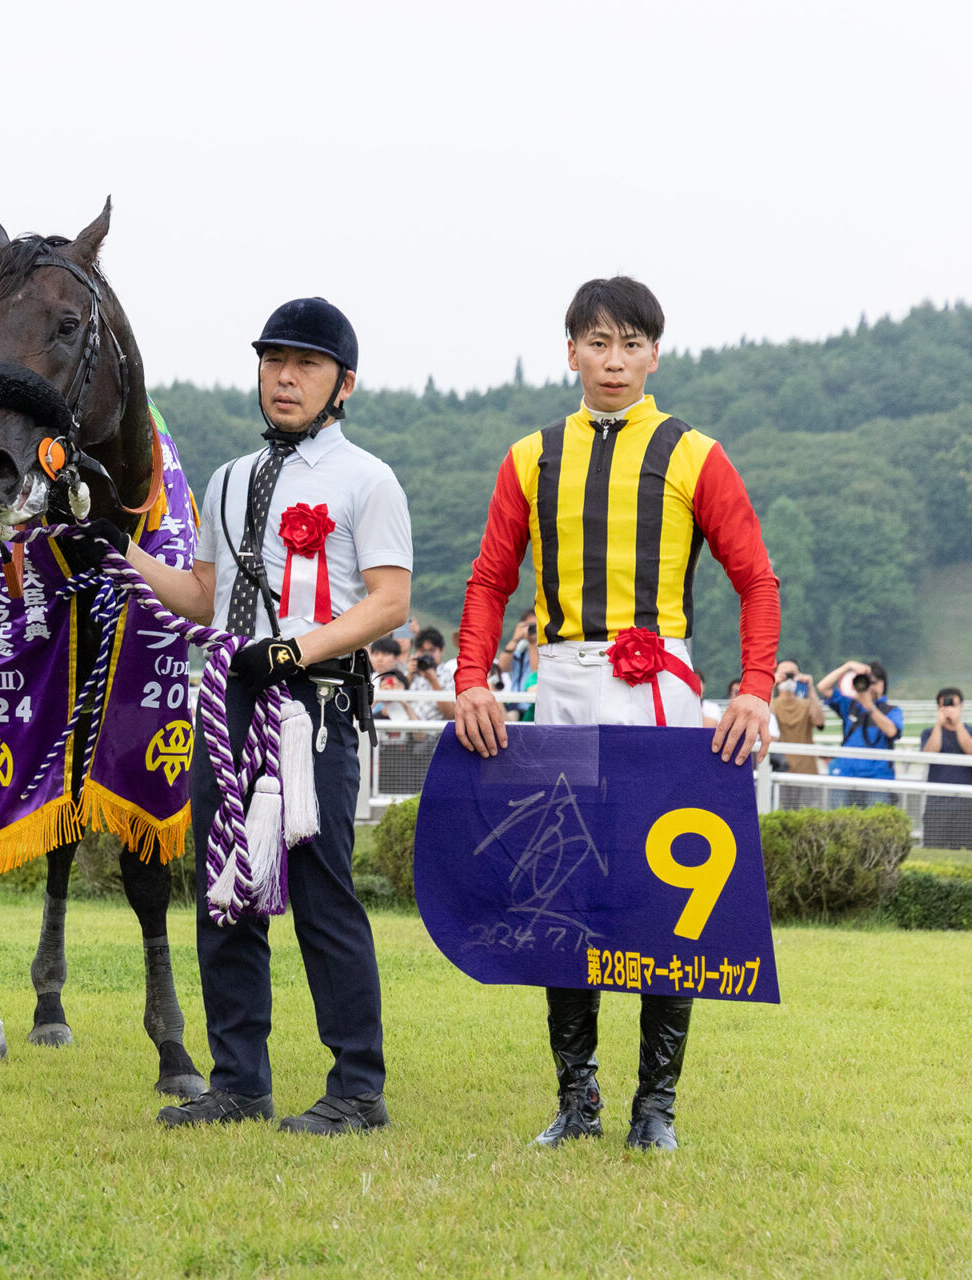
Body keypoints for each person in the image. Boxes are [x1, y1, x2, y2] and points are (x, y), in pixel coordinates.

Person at [452, 276, 779, 1152]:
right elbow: (490, 579)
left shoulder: (694, 454)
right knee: (565, 889)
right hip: (558, 679)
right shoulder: (528, 455)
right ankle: (580, 1100)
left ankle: (656, 1107)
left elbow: (756, 579)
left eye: (632, 343)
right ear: (571, 352)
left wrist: (753, 687)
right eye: (598, 342)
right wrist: (472, 678)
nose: (614, 360)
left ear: (655, 355)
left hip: (658, 687)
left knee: (665, 897)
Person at [77, 297, 410, 1137]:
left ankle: (358, 1088)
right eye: (273, 362)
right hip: (232, 698)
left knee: (324, 893)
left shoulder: (366, 478)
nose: (285, 378)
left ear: (345, 385)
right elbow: (204, 594)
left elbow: (392, 602)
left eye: (304, 365)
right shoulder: (228, 479)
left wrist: (295, 651)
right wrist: (121, 551)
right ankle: (238, 1081)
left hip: (316, 706)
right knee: (226, 893)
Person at [816, 660, 901, 808]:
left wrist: (869, 706)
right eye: (867, 682)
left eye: (874, 682)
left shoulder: (892, 710)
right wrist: (847, 667)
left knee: (875, 825)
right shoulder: (850, 705)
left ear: (883, 685)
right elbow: (822, 687)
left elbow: (891, 731)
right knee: (839, 821)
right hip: (846, 773)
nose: (870, 687)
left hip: (878, 777)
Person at [919, 688, 972, 849]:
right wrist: (939, 724)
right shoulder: (929, 732)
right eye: (944, 705)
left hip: (966, 806)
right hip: (937, 805)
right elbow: (929, 755)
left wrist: (957, 724)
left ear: (961, 706)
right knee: (933, 850)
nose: (949, 709)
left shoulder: (969, 731)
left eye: (953, 705)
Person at [769, 659, 825, 801]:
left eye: (791, 674)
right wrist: (770, 685)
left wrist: (810, 689)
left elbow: (820, 722)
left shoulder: (806, 704)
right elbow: (767, 720)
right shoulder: (772, 704)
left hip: (807, 771)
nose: (787, 678)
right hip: (780, 771)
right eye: (784, 674)